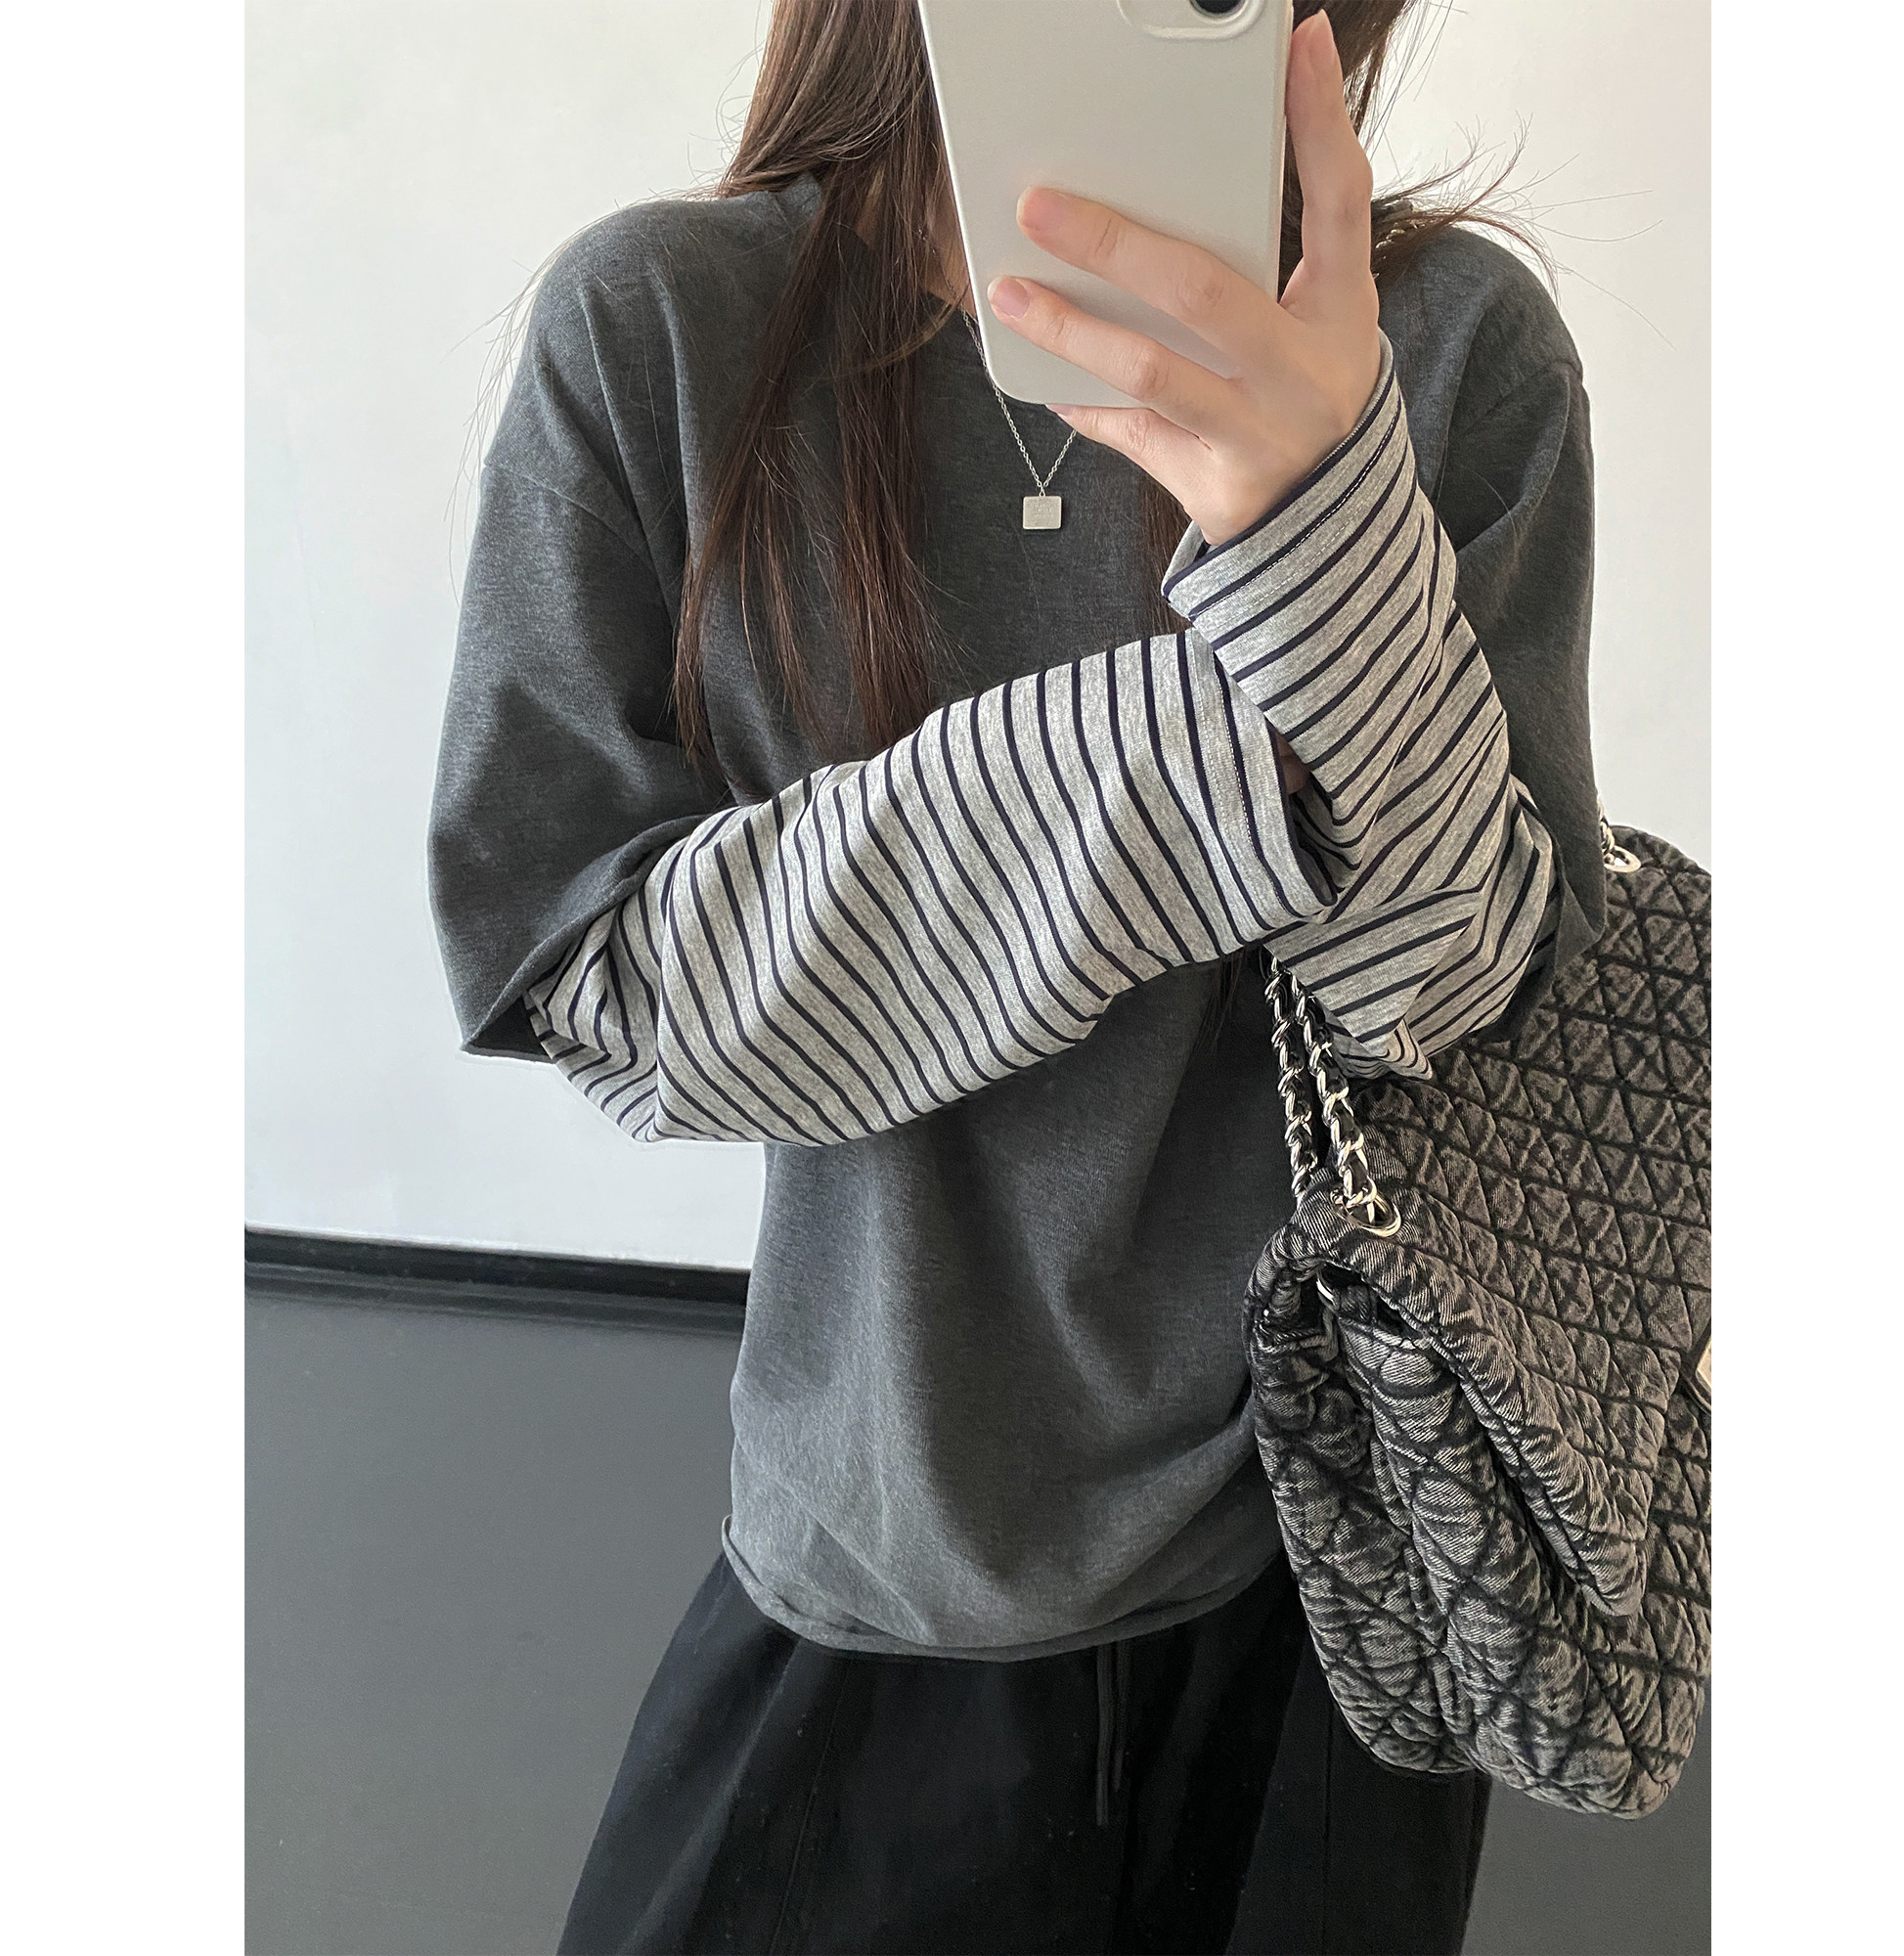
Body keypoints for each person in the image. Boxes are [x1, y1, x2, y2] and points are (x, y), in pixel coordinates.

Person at [427, 3, 1608, 1950]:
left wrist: (1316, 522)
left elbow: (1465, 999)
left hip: (1345, 1577)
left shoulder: (1453, 346)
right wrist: (1221, 746)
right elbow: (600, 983)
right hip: (889, 1548)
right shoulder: (664, 331)